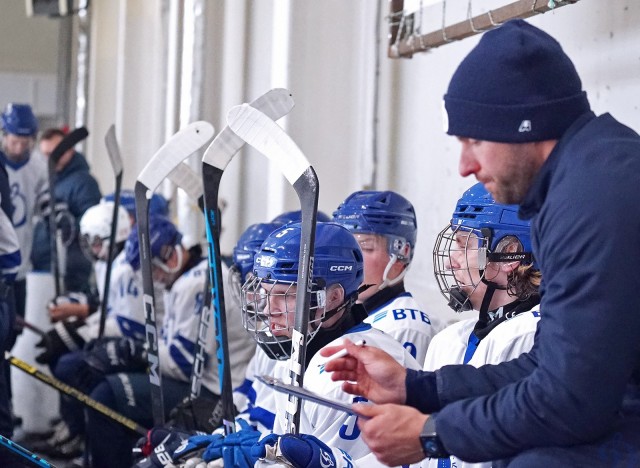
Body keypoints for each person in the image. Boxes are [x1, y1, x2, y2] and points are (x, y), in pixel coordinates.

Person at [323, 19, 640, 467]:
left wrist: (432, 434)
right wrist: (417, 389)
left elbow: (571, 402)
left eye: (475, 139)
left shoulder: (596, 197)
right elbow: (547, 369)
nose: (464, 165)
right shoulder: (580, 180)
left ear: (524, 127)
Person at [172, 222, 420, 468]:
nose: (270, 311)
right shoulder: (300, 353)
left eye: (285, 295)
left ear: (334, 297)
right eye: (266, 294)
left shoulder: (346, 374)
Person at [83, 215, 252, 467]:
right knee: (104, 380)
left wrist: (137, 351)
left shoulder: (195, 283)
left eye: (153, 268)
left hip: (214, 393)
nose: (154, 278)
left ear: (169, 255)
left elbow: (183, 363)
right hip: (206, 383)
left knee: (106, 395)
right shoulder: (188, 278)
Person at [423, 182, 540, 468]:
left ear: (509, 253)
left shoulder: (529, 337)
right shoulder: (449, 340)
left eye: (464, 245)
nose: (451, 263)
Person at [333, 190, 433, 366]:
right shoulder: (349, 315)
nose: (350, 259)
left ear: (402, 252)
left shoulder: (405, 326)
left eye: (365, 247)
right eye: (344, 247)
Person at [32, 127, 102, 297]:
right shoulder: (50, 180)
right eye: (45, 154)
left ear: (69, 150)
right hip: (46, 267)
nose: (49, 159)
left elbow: (93, 224)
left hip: (71, 270)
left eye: (53, 153)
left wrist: (68, 225)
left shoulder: (84, 183)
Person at [0, 103, 48, 327]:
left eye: (24, 143)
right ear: (4, 135)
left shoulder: (39, 166)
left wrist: (57, 216)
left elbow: (45, 201)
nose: (18, 148)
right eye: (13, 142)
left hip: (20, 264)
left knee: (13, 330)